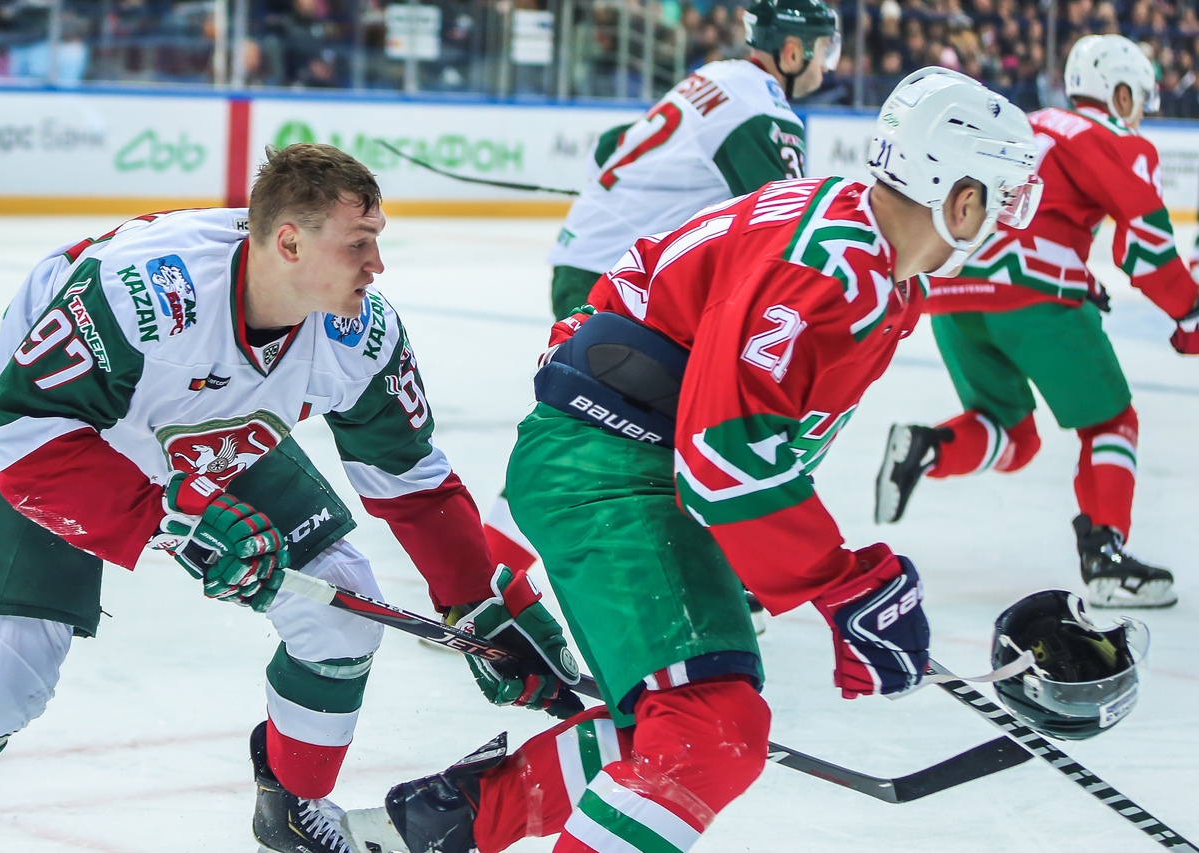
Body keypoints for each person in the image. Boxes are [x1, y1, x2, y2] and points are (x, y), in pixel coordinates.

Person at [343, 68, 1043, 853]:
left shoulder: (871, 260)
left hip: (633, 460)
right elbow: (723, 456)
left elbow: (749, 438)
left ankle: (433, 826)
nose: (1007, 218)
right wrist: (842, 582)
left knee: (681, 723)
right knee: (710, 732)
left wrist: (805, 573)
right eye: (1003, 197)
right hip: (607, 462)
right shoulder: (828, 272)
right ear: (960, 198)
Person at [0, 143, 579, 853]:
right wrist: (174, 517)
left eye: (377, 240)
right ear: (289, 242)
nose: (377, 266)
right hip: (67, 428)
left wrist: (478, 601)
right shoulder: (141, 293)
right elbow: (25, 437)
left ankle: (293, 809)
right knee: (2, 674)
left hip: (203, 422)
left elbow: (411, 478)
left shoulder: (362, 333)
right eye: (358, 244)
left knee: (342, 606)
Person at [483, 0, 842, 600]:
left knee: (614, 422)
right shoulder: (766, 112)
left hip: (596, 262)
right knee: (634, 424)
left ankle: (495, 575)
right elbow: (790, 229)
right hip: (627, 281)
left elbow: (611, 146)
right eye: (824, 50)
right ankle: (494, 579)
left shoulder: (714, 77)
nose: (828, 65)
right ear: (791, 50)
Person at [874, 34, 1199, 610]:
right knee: (1111, 423)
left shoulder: (1024, 122)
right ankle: (1105, 556)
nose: (1140, 113)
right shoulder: (1111, 136)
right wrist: (1189, 311)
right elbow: (1145, 246)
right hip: (1036, 295)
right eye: (1137, 98)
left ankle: (928, 447)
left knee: (1012, 433)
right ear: (1120, 94)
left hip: (950, 287)